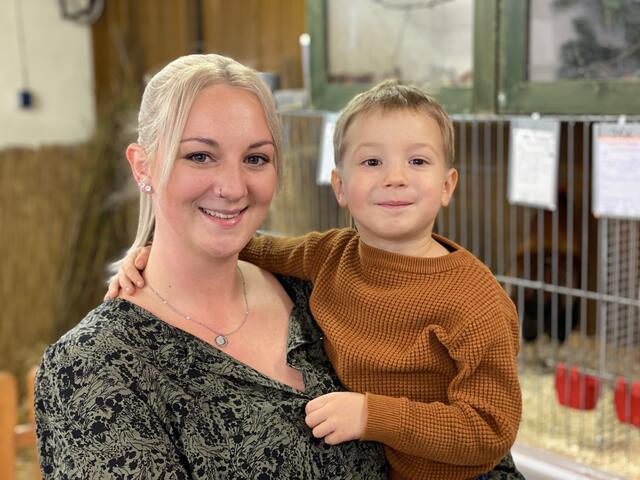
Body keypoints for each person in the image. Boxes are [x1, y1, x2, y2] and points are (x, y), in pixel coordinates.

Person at [109, 80, 524, 479]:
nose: (395, 177)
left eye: (417, 161)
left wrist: (371, 414)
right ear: (340, 186)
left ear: (447, 186)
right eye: (372, 162)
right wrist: (150, 253)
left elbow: (490, 429)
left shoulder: (475, 302)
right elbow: (246, 244)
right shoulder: (329, 255)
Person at [34, 53, 388, 479]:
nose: (233, 188)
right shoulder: (94, 365)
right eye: (200, 156)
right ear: (142, 166)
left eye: (255, 159)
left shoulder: (314, 292)